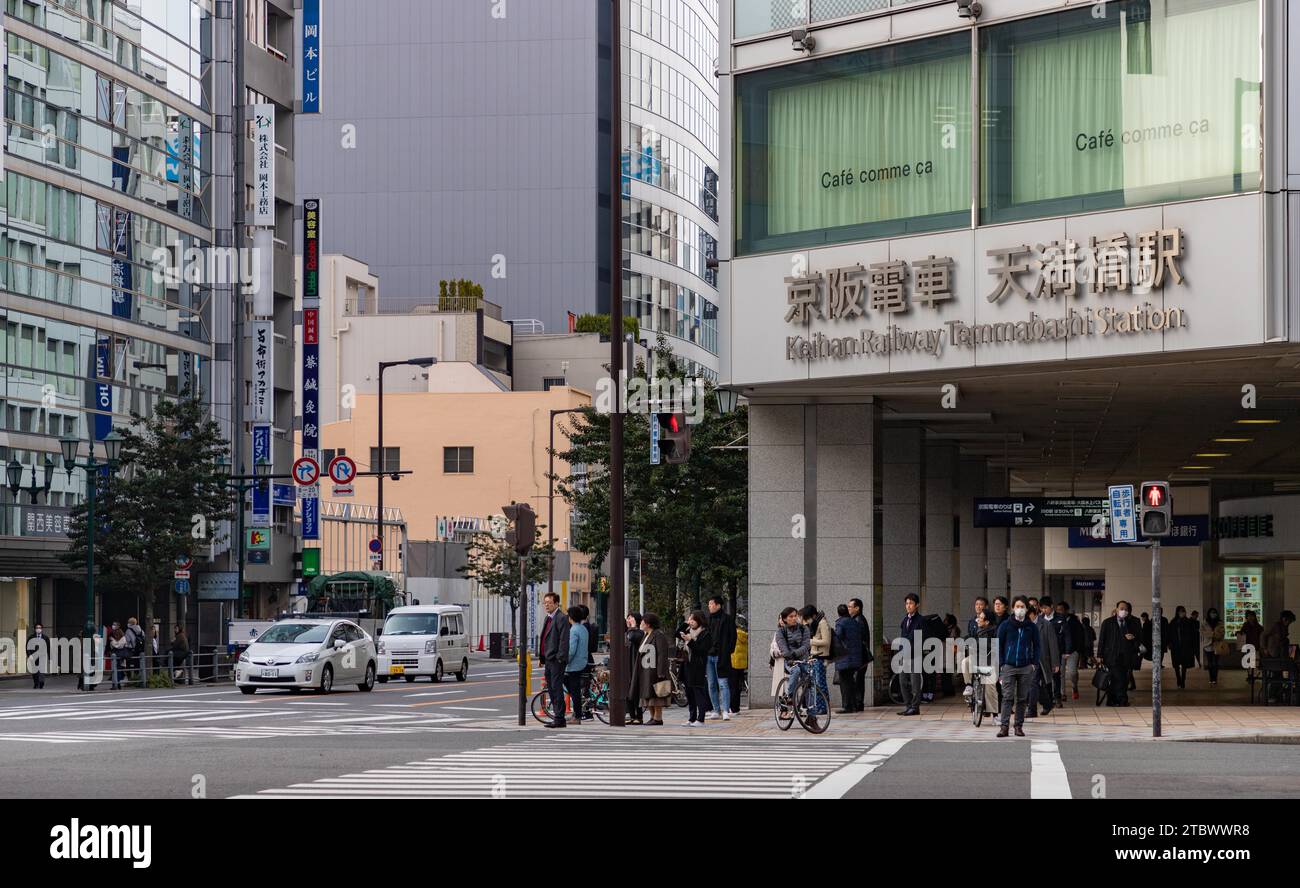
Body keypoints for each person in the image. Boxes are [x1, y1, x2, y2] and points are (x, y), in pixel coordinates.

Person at [996, 596, 1039, 738]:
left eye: (1022, 606)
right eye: (1017, 606)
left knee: (1022, 698)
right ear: (1013, 608)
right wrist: (1001, 664)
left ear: (1026, 609)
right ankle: (1004, 726)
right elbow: (999, 645)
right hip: (1008, 666)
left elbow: (1037, 645)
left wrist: (1034, 663)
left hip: (1025, 666)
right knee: (1007, 697)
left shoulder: (1031, 627)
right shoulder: (1005, 625)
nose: (1020, 609)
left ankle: (1018, 726)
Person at [1098, 600, 1142, 706]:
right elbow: (1102, 640)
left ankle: (1113, 700)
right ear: (1116, 609)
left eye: (1126, 609)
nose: (1124, 611)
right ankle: (1121, 700)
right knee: (1116, 678)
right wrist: (1099, 655)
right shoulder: (1108, 622)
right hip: (1111, 656)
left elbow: (1140, 638)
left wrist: (1133, 638)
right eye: (1121, 608)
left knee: (1123, 679)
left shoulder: (1131, 623)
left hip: (1126, 656)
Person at [536, 591, 570, 728]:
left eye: (549, 603)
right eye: (545, 603)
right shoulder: (548, 618)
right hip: (548, 659)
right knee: (551, 687)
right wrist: (542, 657)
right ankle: (558, 716)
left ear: (556, 603)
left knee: (556, 688)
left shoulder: (561, 618)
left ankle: (559, 718)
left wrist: (560, 658)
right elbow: (545, 638)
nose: (547, 605)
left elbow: (563, 640)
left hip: (556, 660)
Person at [632, 613, 673, 725]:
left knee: (655, 694)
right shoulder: (646, 635)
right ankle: (652, 716)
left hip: (654, 670)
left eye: (642, 622)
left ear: (648, 624)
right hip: (645, 669)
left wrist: (661, 672)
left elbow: (662, 654)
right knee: (647, 694)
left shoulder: (658, 635)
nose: (641, 623)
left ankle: (658, 717)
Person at [959, 609, 998, 722]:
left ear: (987, 622)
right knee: (965, 662)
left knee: (990, 688)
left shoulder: (995, 631)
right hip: (977, 658)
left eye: (980, 618)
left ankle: (995, 715)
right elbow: (969, 637)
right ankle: (969, 685)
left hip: (989, 661)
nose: (978, 620)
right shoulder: (978, 630)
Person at [705, 596, 736, 721]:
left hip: (722, 655)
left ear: (718, 605)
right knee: (711, 684)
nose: (709, 606)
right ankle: (716, 710)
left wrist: (728, 650)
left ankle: (725, 710)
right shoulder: (707, 620)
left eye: (711, 604)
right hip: (709, 656)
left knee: (723, 684)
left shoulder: (727, 619)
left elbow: (733, 636)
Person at [680, 610, 711, 726]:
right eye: (690, 619)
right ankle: (691, 717)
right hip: (687, 665)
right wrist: (685, 623)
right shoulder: (688, 631)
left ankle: (701, 718)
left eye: (693, 620)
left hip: (698, 666)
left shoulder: (705, 634)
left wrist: (690, 641)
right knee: (689, 693)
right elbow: (676, 633)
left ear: (699, 620)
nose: (691, 622)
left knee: (698, 692)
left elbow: (701, 651)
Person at [774, 606, 810, 702]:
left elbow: (806, 645)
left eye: (795, 616)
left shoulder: (804, 628)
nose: (794, 618)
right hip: (789, 660)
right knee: (796, 670)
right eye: (791, 616)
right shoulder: (781, 631)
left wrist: (794, 653)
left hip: (803, 659)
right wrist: (790, 657)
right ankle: (789, 695)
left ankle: (811, 712)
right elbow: (783, 647)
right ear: (785, 619)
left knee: (809, 681)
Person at [898, 593, 925, 717]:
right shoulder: (905, 620)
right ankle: (908, 705)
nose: (908, 606)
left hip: (915, 655)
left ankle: (915, 707)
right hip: (904, 655)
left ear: (917, 605)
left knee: (915, 682)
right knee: (902, 681)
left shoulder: (920, 620)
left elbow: (920, 638)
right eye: (907, 603)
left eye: (911, 603)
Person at [834, 603, 864, 714]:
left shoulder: (840, 623)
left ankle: (847, 706)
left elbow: (838, 637)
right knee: (851, 682)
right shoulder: (855, 622)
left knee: (845, 683)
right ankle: (854, 705)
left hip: (845, 657)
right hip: (856, 657)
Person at [561, 608, 589, 727]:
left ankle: (577, 716)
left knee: (574, 691)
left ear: (570, 617)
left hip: (574, 665)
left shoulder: (574, 630)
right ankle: (576, 714)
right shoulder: (583, 628)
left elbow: (571, 650)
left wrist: (564, 661)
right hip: (582, 662)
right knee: (575, 690)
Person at [847, 598, 873, 711]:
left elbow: (858, 640)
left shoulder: (858, 621)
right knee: (858, 680)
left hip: (860, 657)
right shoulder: (858, 619)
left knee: (858, 681)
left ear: (857, 608)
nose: (848, 609)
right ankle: (858, 703)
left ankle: (858, 703)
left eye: (850, 607)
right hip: (861, 657)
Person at [1056, 602, 1084, 701]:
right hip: (1060, 651)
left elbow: (1080, 636)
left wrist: (1078, 649)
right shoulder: (1055, 621)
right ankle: (1062, 693)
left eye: (1061, 609)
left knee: (1072, 672)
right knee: (1060, 673)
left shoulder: (1075, 622)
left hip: (1072, 651)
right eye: (1057, 610)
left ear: (1067, 610)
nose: (1059, 612)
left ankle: (1074, 685)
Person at [1168, 606, 1199, 690]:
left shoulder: (1188, 622)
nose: (1183, 613)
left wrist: (1193, 646)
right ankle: (1178, 679)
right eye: (1181, 611)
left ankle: (1183, 680)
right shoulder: (1173, 622)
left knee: (1184, 665)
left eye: (1184, 611)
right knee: (1176, 665)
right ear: (1177, 612)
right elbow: (1169, 634)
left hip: (1186, 647)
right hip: (1176, 647)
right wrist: (1169, 644)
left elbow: (1193, 635)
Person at [623, 613, 645, 724]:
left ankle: (638, 716)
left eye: (631, 618)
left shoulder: (639, 633)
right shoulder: (628, 632)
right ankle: (631, 715)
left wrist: (632, 627)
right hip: (626, 665)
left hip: (635, 665)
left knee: (635, 691)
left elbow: (632, 638)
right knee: (627, 691)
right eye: (628, 617)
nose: (628, 620)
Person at [1201, 608, 1225, 687]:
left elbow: (1222, 633)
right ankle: (1211, 678)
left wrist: (1216, 635)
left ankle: (1215, 679)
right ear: (1209, 614)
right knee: (1210, 663)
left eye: (1214, 613)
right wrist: (1212, 634)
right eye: (1211, 613)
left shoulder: (1220, 623)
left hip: (1217, 645)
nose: (1213, 614)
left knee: (1215, 663)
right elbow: (1202, 632)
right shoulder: (1205, 622)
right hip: (1207, 645)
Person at [729, 614, 747, 714]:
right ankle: (737, 708)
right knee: (738, 687)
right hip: (742, 663)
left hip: (733, 662)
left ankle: (733, 708)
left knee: (732, 686)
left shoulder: (733, 634)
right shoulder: (743, 634)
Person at [108, 624, 130, 690]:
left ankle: (115, 684)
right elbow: (121, 645)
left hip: (116, 656)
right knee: (119, 670)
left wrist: (112, 640)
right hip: (121, 657)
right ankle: (118, 683)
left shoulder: (112, 640)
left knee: (115, 670)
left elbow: (116, 646)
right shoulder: (123, 639)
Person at [29, 623, 47, 689]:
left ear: (42, 629)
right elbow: (27, 647)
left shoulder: (45, 637)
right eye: (37, 628)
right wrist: (29, 655)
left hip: (42, 656)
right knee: (35, 671)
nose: (38, 629)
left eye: (39, 628)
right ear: (34, 629)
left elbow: (48, 647)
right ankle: (36, 683)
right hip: (34, 656)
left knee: (41, 671)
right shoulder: (31, 637)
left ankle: (41, 682)